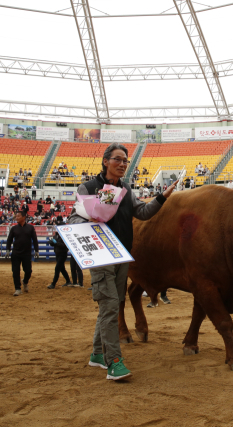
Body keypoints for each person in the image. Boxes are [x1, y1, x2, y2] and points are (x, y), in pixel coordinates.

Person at [67, 143, 177, 381]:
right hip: (101, 257)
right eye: (118, 159)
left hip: (122, 255)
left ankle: (97, 353)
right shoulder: (88, 187)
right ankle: (114, 361)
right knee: (109, 306)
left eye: (126, 161)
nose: (123, 164)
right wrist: (93, 219)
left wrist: (162, 197)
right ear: (105, 161)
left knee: (113, 303)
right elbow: (74, 218)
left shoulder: (126, 189)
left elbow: (143, 213)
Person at [6, 211, 39, 296]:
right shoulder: (13, 228)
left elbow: (34, 239)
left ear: (24, 217)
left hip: (26, 253)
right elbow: (9, 240)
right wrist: (7, 250)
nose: (16, 218)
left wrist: (36, 250)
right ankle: (17, 288)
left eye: (18, 216)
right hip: (16, 253)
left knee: (28, 271)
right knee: (15, 271)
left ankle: (25, 281)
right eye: (16, 216)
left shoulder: (30, 228)